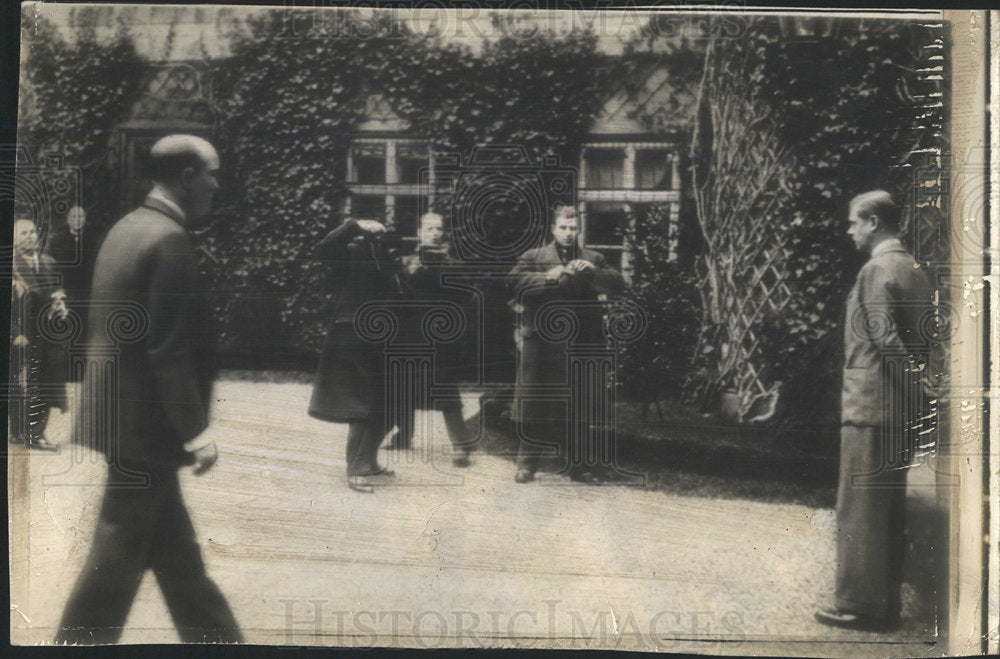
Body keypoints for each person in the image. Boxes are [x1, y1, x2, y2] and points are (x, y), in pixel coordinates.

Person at [55, 135, 242, 644]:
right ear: (186, 176)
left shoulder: (127, 228)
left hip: (125, 423)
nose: (216, 185)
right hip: (146, 430)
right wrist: (197, 431)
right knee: (115, 559)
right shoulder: (168, 239)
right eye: (212, 173)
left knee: (179, 564)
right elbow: (168, 349)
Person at [814, 190, 932, 632]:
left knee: (860, 510)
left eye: (853, 223)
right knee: (887, 511)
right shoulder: (913, 269)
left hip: (871, 409)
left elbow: (886, 341)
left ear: (874, 223)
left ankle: (860, 607)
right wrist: (919, 396)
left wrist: (917, 391)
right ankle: (884, 606)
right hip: (896, 413)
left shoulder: (877, 268)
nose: (849, 231)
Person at [506, 205, 624, 484]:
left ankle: (580, 467)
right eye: (563, 228)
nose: (569, 234)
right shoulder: (535, 257)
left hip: (582, 342)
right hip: (543, 341)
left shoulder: (594, 258)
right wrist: (549, 276)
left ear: (578, 230)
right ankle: (526, 465)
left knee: (580, 405)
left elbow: (618, 284)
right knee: (535, 403)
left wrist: (593, 272)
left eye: (573, 229)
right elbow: (513, 282)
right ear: (553, 229)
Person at [309, 216, 402, 492]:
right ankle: (356, 468)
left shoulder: (386, 257)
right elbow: (322, 249)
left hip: (382, 335)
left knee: (388, 401)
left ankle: (369, 462)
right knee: (359, 402)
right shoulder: (349, 251)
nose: (380, 234)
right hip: (352, 335)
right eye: (374, 230)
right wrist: (353, 225)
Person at [388, 212, 475, 466]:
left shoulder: (453, 265)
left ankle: (462, 446)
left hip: (440, 338)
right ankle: (403, 436)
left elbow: (464, 300)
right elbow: (395, 298)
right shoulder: (406, 264)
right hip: (409, 334)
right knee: (403, 387)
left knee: (446, 390)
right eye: (429, 228)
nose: (435, 233)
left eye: (438, 229)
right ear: (419, 232)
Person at [9, 218, 67, 451]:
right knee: (14, 382)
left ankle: (36, 433)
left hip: (45, 333)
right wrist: (15, 334)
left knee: (44, 381)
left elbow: (57, 291)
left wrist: (61, 304)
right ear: (13, 238)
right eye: (24, 232)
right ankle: (17, 429)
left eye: (33, 232)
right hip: (19, 335)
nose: (30, 236)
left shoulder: (49, 262)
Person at [46, 205, 104, 336]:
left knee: (87, 328)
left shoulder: (94, 240)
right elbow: (53, 268)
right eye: (74, 216)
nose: (78, 220)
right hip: (67, 291)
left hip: (88, 291)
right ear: (67, 220)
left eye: (81, 216)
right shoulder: (57, 241)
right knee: (68, 327)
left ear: (85, 219)